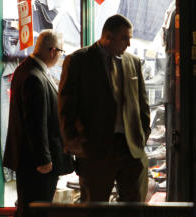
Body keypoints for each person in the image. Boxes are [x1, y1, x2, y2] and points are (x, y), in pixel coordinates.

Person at [0, 30, 72, 217]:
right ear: (52, 50)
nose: (60, 56)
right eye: (60, 52)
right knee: (35, 209)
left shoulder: (29, 70)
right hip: (36, 160)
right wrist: (44, 159)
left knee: (26, 207)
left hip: (29, 157)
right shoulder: (34, 75)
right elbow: (35, 123)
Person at [58, 14, 151, 202]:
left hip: (131, 149)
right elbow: (66, 104)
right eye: (124, 38)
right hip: (95, 150)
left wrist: (142, 136)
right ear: (107, 36)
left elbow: (142, 103)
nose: (129, 44)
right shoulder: (79, 60)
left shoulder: (132, 61)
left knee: (133, 213)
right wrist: (72, 140)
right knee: (94, 215)